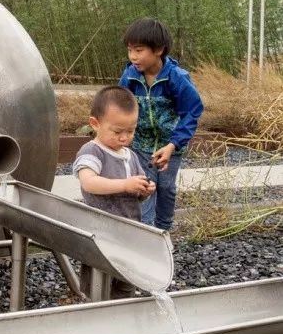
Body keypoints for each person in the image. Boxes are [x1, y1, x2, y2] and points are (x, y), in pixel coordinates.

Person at [119, 17, 204, 231]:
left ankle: (164, 230)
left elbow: (193, 111)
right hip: (139, 146)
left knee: (166, 188)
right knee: (144, 187)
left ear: (158, 49)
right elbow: (119, 106)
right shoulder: (129, 76)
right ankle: (146, 233)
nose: (133, 57)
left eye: (139, 50)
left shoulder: (175, 78)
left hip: (170, 146)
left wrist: (173, 145)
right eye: (130, 50)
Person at [73, 85, 156, 297]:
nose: (124, 137)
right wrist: (124, 184)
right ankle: (97, 312)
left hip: (128, 231)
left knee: (127, 279)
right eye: (117, 131)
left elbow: (133, 191)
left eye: (131, 131)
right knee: (98, 282)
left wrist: (143, 190)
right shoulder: (93, 151)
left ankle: (123, 309)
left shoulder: (130, 155)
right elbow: (88, 182)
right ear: (95, 124)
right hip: (100, 233)